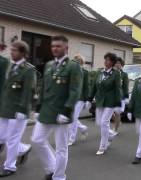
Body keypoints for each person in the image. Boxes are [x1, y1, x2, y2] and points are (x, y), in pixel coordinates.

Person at [31, 35, 82, 180]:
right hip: (46, 111)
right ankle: (52, 167)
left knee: (61, 148)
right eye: (53, 46)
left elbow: (75, 91)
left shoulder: (73, 67)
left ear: (66, 48)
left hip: (62, 113)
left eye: (58, 46)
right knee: (36, 140)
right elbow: (43, 89)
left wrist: (67, 111)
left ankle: (59, 176)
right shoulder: (49, 65)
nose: (55, 48)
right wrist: (38, 107)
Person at [0, 41, 36, 177]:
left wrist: (23, 110)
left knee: (12, 139)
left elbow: (29, 92)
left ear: (23, 53)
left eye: (15, 50)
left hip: (18, 111)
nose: (11, 52)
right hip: (6, 108)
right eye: (11, 49)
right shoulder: (11, 67)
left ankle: (10, 166)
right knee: (2, 136)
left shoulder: (28, 70)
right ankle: (24, 148)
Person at [89, 52, 121, 155]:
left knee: (104, 122)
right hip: (100, 100)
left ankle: (102, 146)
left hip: (110, 102)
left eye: (108, 60)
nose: (106, 61)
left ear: (112, 62)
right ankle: (111, 135)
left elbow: (117, 89)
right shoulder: (100, 72)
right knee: (99, 123)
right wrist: (89, 98)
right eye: (105, 59)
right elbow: (94, 86)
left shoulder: (116, 74)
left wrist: (118, 104)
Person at [68, 54, 89, 146]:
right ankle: (83, 128)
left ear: (80, 63)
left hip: (80, 98)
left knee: (73, 118)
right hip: (71, 97)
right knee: (72, 117)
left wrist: (86, 100)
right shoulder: (70, 72)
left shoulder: (85, 72)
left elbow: (86, 87)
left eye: (76, 61)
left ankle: (71, 138)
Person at [110, 57, 129, 138]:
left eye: (119, 64)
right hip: (111, 96)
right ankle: (118, 121)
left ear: (122, 65)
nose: (117, 65)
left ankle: (115, 129)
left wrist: (126, 97)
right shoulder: (111, 73)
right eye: (116, 63)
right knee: (109, 112)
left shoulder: (124, 75)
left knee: (117, 113)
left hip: (120, 97)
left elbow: (125, 87)